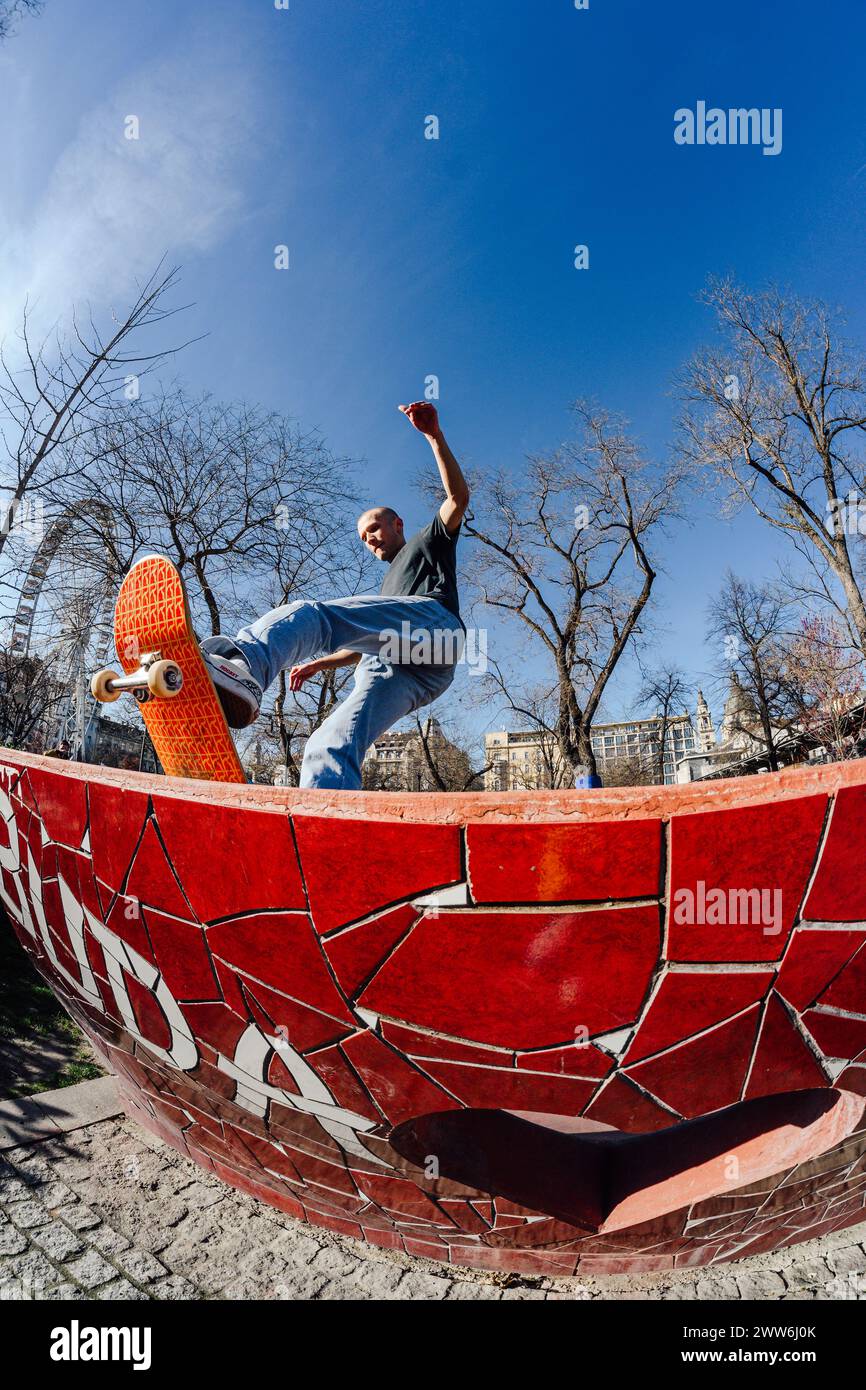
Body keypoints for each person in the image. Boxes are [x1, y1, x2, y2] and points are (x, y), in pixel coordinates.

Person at [202, 402, 470, 790]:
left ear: (397, 524)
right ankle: (326, 829)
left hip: (436, 631)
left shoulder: (428, 541)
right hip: (406, 670)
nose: (370, 539)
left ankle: (248, 662)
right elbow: (359, 647)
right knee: (328, 744)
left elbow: (457, 497)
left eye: (375, 528)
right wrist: (317, 665)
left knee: (314, 615)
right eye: (363, 538)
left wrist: (434, 436)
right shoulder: (386, 592)